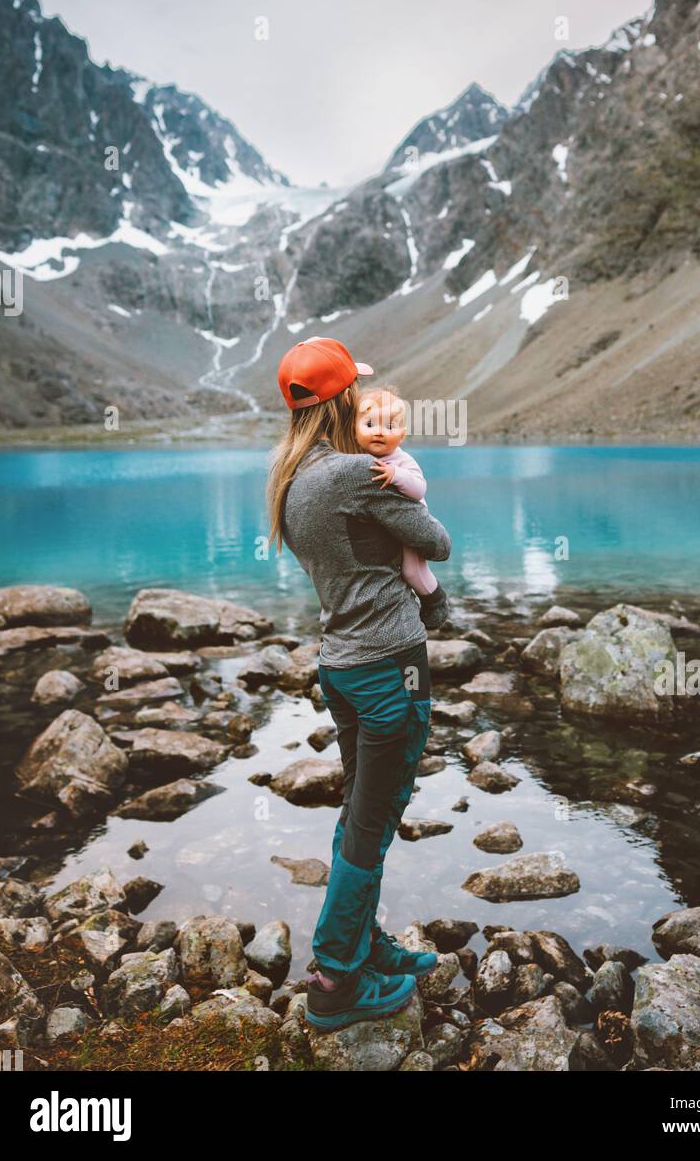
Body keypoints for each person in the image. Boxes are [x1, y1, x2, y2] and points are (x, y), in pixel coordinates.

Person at [267, 336, 452, 1031]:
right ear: (343, 400)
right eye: (357, 393)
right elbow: (435, 541)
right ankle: (334, 980)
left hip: (342, 667)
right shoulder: (350, 473)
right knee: (371, 825)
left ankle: (364, 945)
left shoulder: (291, 475)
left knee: (359, 813)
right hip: (388, 667)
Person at [354, 383, 450, 629]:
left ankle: (435, 600)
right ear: (354, 429)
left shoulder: (401, 459)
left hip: (412, 523)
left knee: (412, 570)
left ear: (402, 434)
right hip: (388, 523)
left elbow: (419, 488)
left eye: (389, 426)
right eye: (369, 424)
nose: (379, 432)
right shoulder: (356, 457)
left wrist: (396, 474)